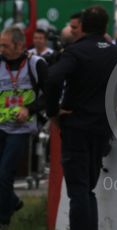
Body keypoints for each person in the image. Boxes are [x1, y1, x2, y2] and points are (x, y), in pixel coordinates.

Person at [45, 6, 117, 230]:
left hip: (77, 129)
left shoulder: (75, 52)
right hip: (101, 130)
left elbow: (52, 79)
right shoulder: (116, 53)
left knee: (78, 191)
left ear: (82, 25)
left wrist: (53, 112)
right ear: (105, 26)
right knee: (88, 189)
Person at [0, 26, 47, 229]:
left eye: (5, 45)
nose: (1, 49)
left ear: (19, 45)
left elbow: (51, 94)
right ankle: (12, 202)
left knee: (4, 174)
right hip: (1, 126)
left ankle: (3, 219)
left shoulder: (36, 64)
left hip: (21, 130)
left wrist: (29, 109)